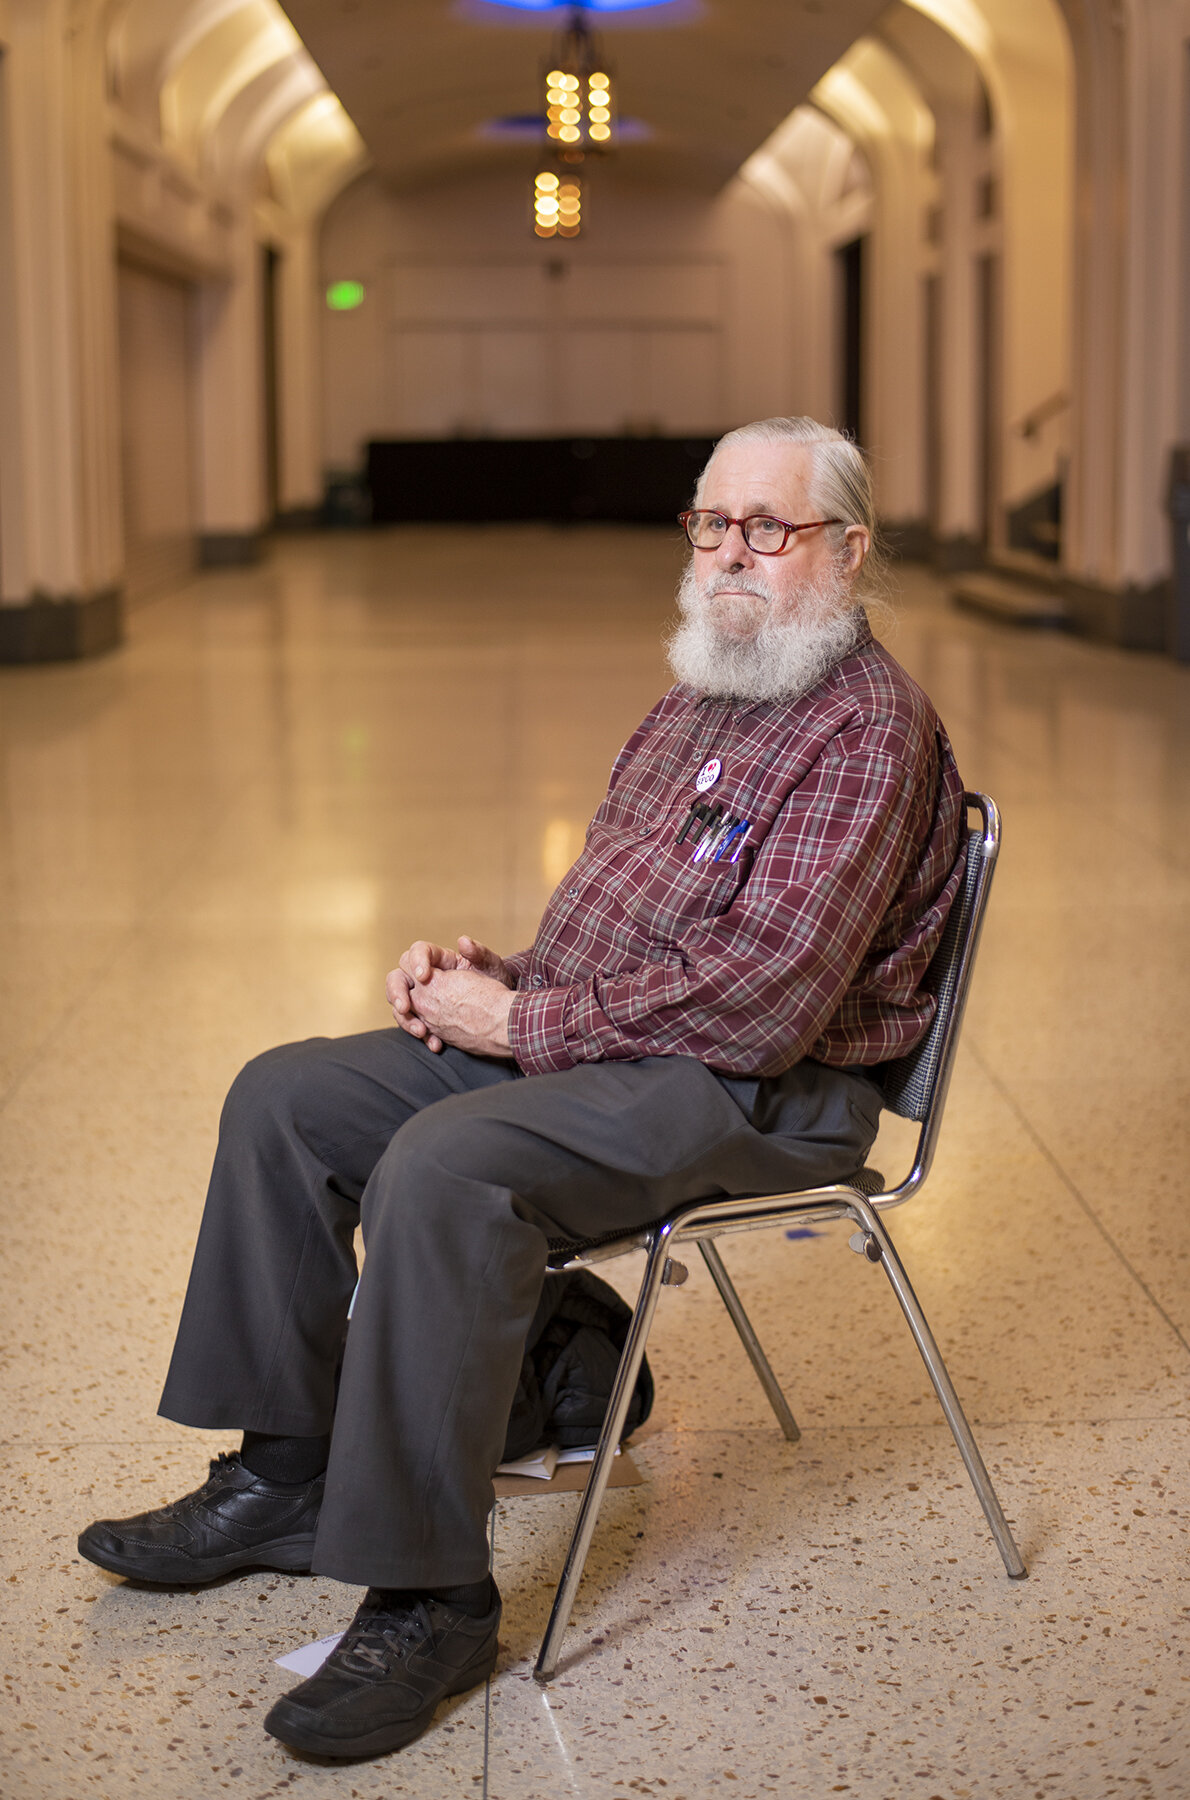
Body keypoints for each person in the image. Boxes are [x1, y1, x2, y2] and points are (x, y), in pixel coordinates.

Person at [78, 417, 966, 1762]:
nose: (731, 554)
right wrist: (487, 974)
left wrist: (524, 1021)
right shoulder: (701, 693)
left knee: (446, 1162)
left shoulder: (864, 729)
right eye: (710, 524)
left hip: (764, 1091)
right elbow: (616, 926)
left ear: (846, 549)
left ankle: (429, 1594)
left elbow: (768, 1000)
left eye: (767, 529)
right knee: (286, 1097)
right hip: (624, 1042)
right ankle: (285, 1474)